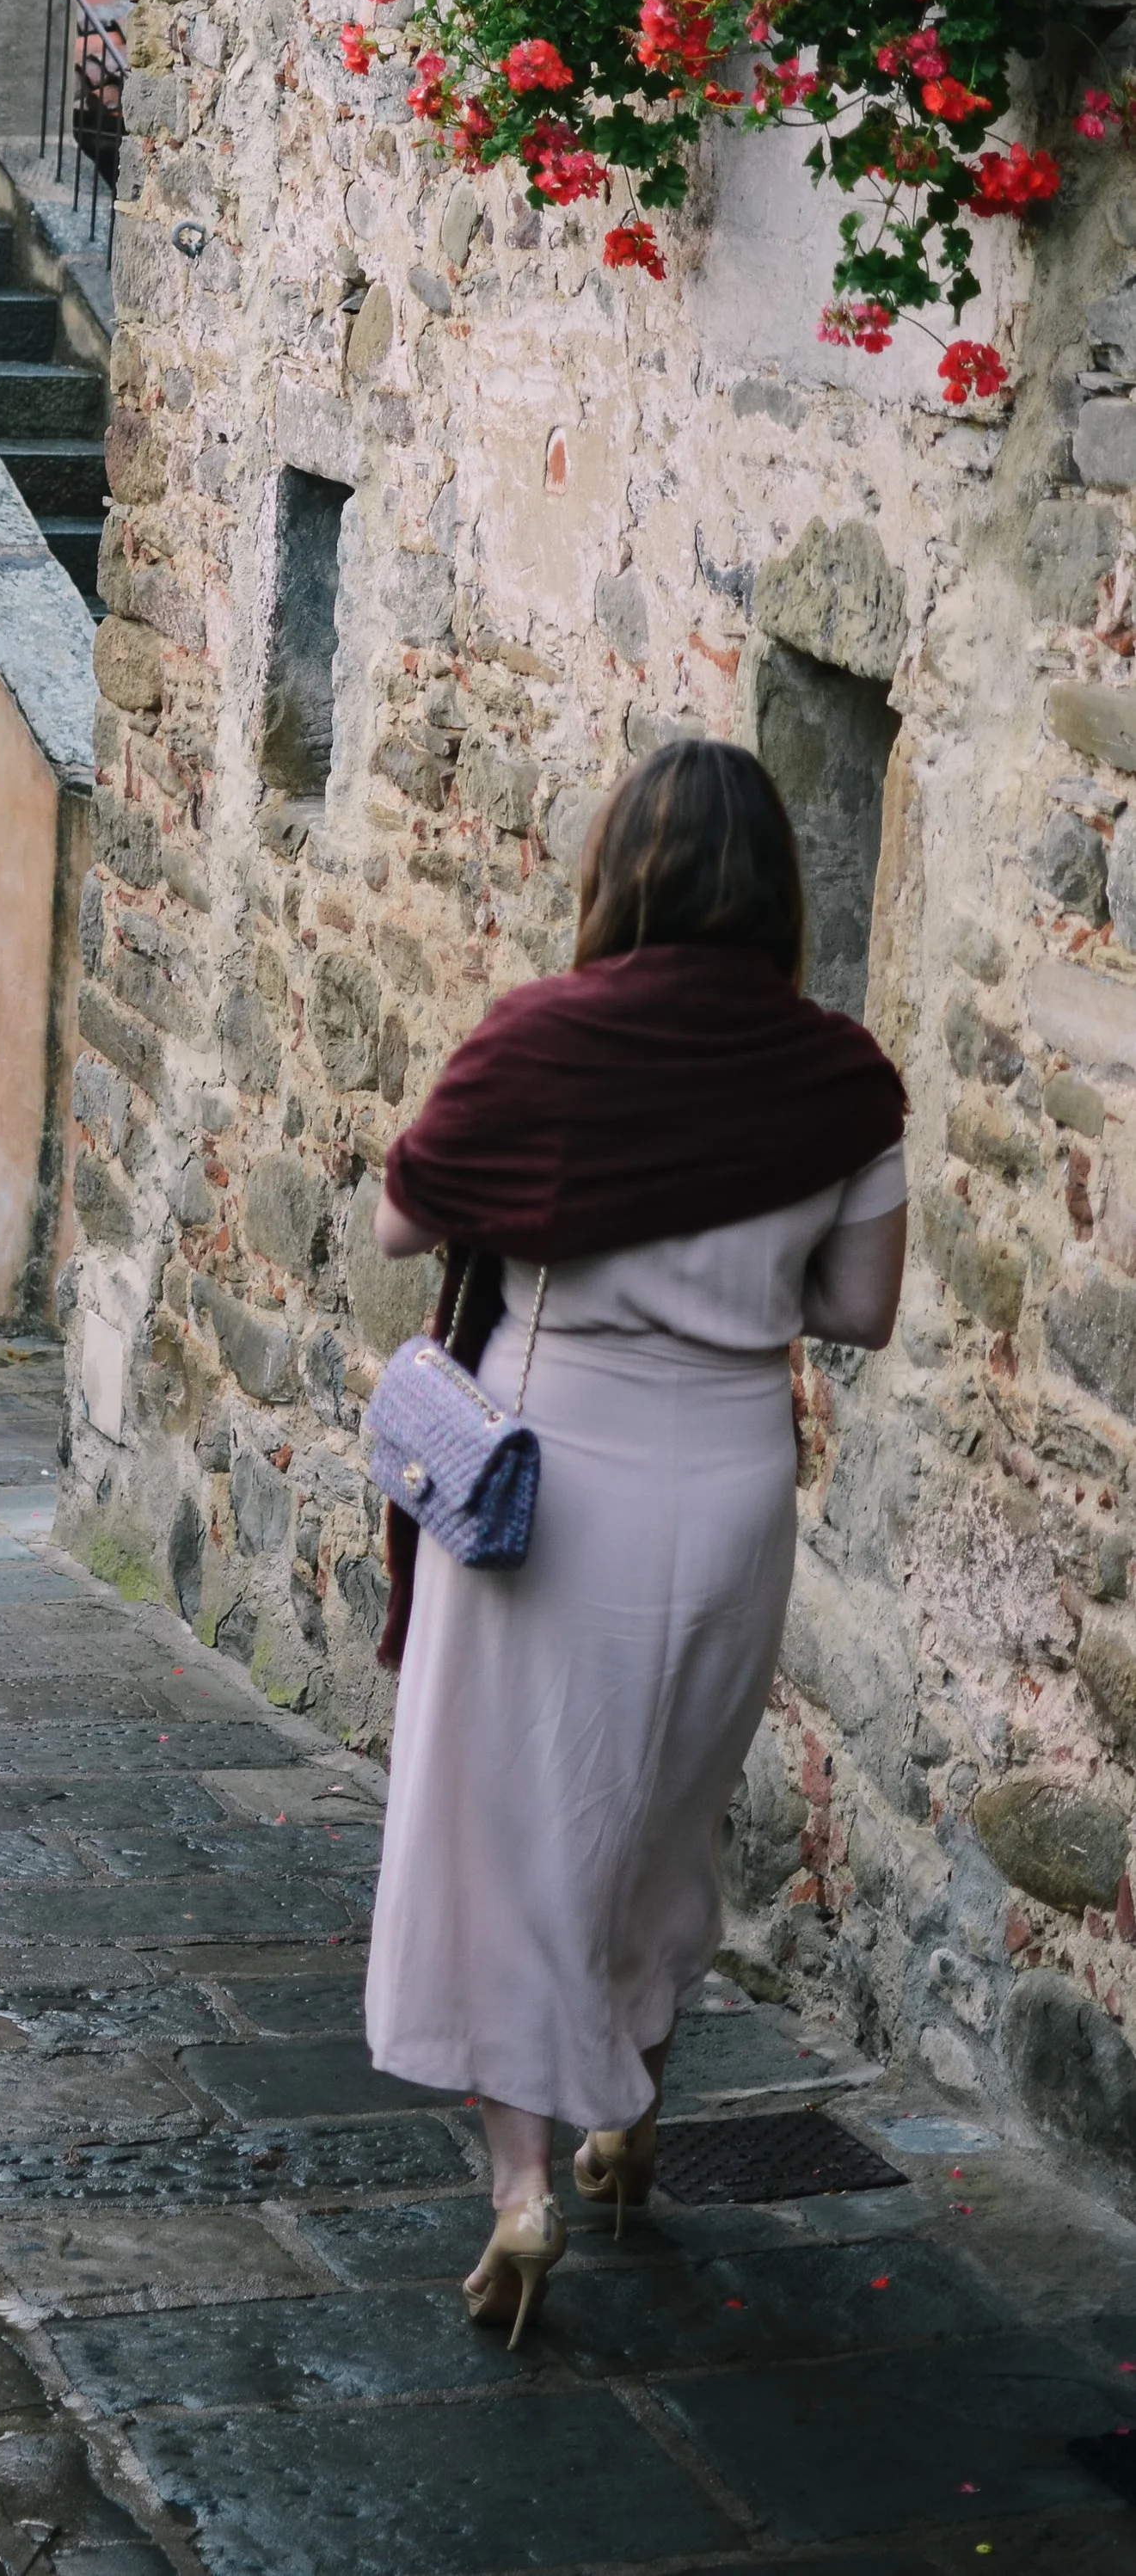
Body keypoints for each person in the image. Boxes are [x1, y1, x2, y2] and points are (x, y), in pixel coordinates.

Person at [365, 739, 907, 2345]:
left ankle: (524, 2180)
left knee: (505, 1827)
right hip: (730, 1474)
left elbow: (404, 1215)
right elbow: (860, 1310)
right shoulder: (843, 1078)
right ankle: (628, 2113)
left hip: (550, 1477)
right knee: (664, 1805)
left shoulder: (541, 1040)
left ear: (621, 875)